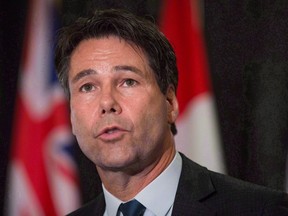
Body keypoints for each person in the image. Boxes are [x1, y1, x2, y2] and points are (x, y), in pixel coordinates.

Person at [54, 8, 288, 216]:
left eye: (127, 81)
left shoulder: (261, 209)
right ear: (72, 117)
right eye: (87, 87)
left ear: (170, 103)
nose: (107, 102)